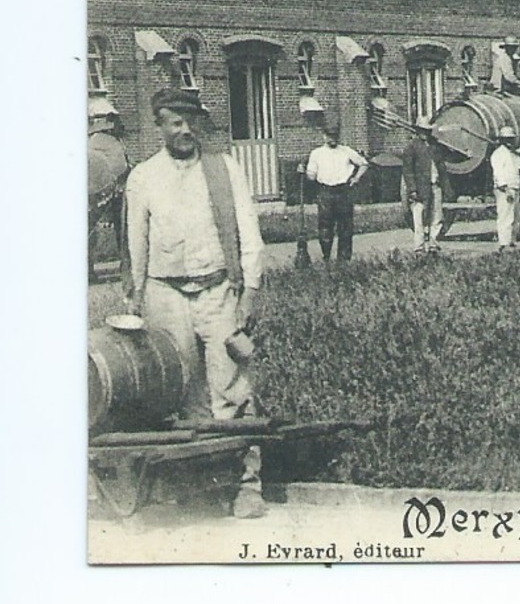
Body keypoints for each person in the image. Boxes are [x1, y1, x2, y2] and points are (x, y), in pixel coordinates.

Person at [122, 88, 268, 519]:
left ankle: (246, 485)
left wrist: (251, 290)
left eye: (190, 120)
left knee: (232, 388)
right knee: (181, 391)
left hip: (218, 291)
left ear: (200, 122)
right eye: (174, 122)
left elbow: (249, 232)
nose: (184, 129)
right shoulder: (143, 177)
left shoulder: (225, 169)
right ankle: (196, 483)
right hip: (164, 295)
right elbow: (136, 245)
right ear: (160, 126)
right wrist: (134, 300)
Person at [304, 119, 368, 262]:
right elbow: (311, 176)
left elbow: (364, 163)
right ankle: (326, 256)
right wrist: (306, 173)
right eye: (329, 135)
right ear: (324, 136)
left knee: (345, 226)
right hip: (325, 192)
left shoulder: (346, 151)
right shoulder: (317, 153)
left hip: (343, 191)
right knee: (325, 226)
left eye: (335, 135)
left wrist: (356, 178)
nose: (332, 138)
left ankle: (344, 260)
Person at [402, 116, 444, 254]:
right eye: (422, 130)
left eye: (427, 131)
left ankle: (433, 245)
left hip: (435, 186)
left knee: (436, 217)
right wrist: (412, 189)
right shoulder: (411, 147)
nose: (425, 133)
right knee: (419, 218)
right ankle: (419, 248)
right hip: (420, 188)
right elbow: (407, 170)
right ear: (417, 131)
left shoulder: (435, 146)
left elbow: (441, 165)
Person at [490, 124, 520, 249]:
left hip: (515, 187)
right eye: (507, 140)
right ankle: (504, 243)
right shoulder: (498, 154)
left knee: (515, 217)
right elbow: (497, 172)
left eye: (511, 139)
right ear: (502, 141)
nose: (510, 142)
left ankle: (512, 241)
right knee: (505, 216)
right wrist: (505, 187)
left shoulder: (513, 154)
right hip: (505, 190)